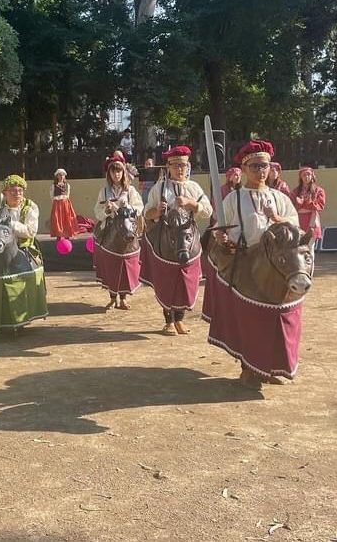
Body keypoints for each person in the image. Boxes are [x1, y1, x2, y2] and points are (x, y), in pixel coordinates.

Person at [209, 139, 303, 389]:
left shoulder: (280, 198)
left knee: (275, 319)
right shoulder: (233, 199)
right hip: (246, 262)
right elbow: (221, 226)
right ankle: (249, 368)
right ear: (244, 168)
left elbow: (295, 228)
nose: (260, 171)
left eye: (265, 166)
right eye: (255, 166)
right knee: (251, 319)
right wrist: (221, 237)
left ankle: (269, 367)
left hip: (276, 267)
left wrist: (276, 218)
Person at [143, 145, 213, 335]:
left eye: (183, 165)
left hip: (188, 239)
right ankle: (168, 321)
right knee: (167, 279)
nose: (180, 169)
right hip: (166, 239)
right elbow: (146, 213)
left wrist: (192, 204)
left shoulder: (193, 187)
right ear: (168, 167)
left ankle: (180, 318)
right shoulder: (159, 188)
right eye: (176, 166)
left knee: (185, 280)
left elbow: (208, 211)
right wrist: (157, 211)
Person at [0, 175, 48, 329]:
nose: (17, 194)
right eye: (12, 191)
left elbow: (30, 231)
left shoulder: (30, 207)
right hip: (1, 248)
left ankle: (27, 308)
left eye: (20, 191)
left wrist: (11, 224)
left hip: (23, 247)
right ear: (5, 193)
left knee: (33, 267)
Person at [93, 153, 144, 310]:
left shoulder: (130, 190)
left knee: (126, 263)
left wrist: (126, 206)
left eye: (119, 171)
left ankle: (123, 298)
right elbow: (97, 210)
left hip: (126, 226)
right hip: (110, 227)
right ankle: (112, 297)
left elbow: (139, 207)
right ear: (109, 174)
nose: (116, 174)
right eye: (113, 171)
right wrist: (107, 210)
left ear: (123, 173)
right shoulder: (104, 191)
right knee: (109, 261)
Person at [291, 166, 326, 254]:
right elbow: (292, 207)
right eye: (304, 175)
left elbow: (319, 206)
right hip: (298, 221)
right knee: (298, 247)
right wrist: (302, 205)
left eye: (308, 175)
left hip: (312, 221)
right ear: (300, 177)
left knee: (310, 247)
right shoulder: (295, 192)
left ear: (312, 176)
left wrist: (305, 203)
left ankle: (310, 267)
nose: (306, 177)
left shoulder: (319, 191)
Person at [50, 169, 78, 239]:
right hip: (57, 204)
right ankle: (58, 234)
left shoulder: (67, 185)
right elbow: (51, 195)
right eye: (60, 175)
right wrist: (56, 203)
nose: (61, 176)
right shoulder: (53, 186)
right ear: (57, 176)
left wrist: (65, 202)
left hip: (65, 203)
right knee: (57, 219)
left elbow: (68, 194)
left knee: (67, 218)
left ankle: (67, 234)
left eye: (63, 175)